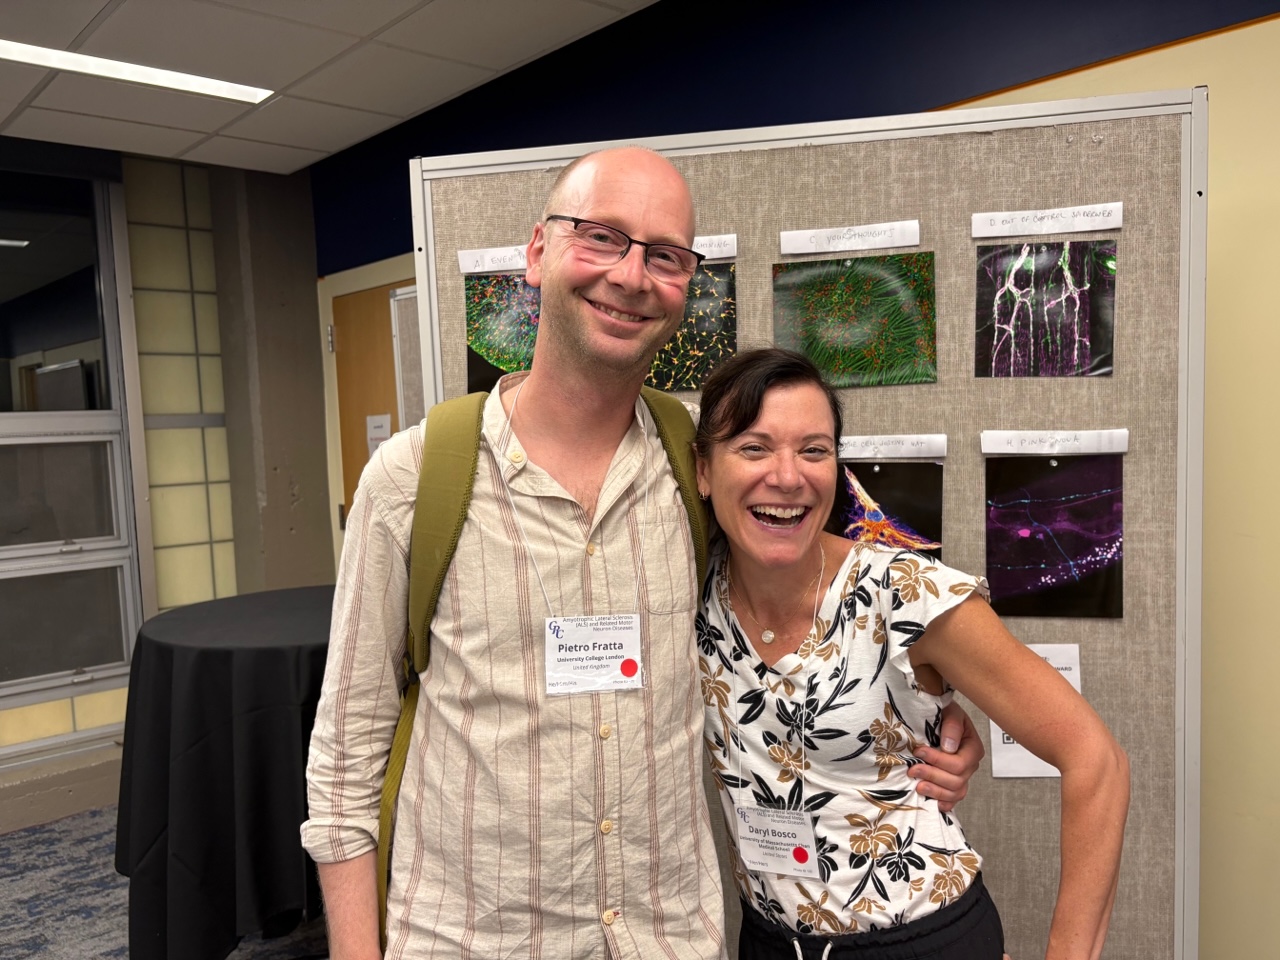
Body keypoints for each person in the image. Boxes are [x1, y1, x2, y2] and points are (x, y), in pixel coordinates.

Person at [301, 147, 983, 960]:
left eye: (664, 255)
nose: (631, 275)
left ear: (685, 285)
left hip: (665, 939)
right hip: (469, 939)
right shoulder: (414, 481)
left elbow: (815, 588)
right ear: (537, 252)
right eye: (601, 238)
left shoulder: (699, 466)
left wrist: (925, 702)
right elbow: (345, 755)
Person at [692, 347, 1130, 960]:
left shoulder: (904, 594)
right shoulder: (688, 593)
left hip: (919, 940)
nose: (788, 477)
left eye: (814, 450)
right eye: (754, 447)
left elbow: (1096, 759)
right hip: (768, 940)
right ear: (704, 471)